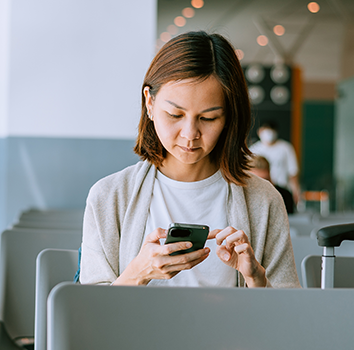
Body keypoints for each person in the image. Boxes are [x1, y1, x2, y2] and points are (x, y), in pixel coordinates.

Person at [79, 31, 299, 288]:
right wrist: (137, 274)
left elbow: (288, 317)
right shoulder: (109, 196)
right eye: (175, 114)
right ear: (149, 103)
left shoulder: (264, 200)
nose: (190, 134)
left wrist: (255, 279)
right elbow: (90, 315)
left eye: (208, 118)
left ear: (229, 116)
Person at [250, 121, 300, 204]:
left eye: (270, 130)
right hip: (258, 190)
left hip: (281, 189)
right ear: (259, 131)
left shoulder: (285, 148)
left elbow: (293, 172)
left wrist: (296, 191)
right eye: (265, 129)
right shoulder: (253, 149)